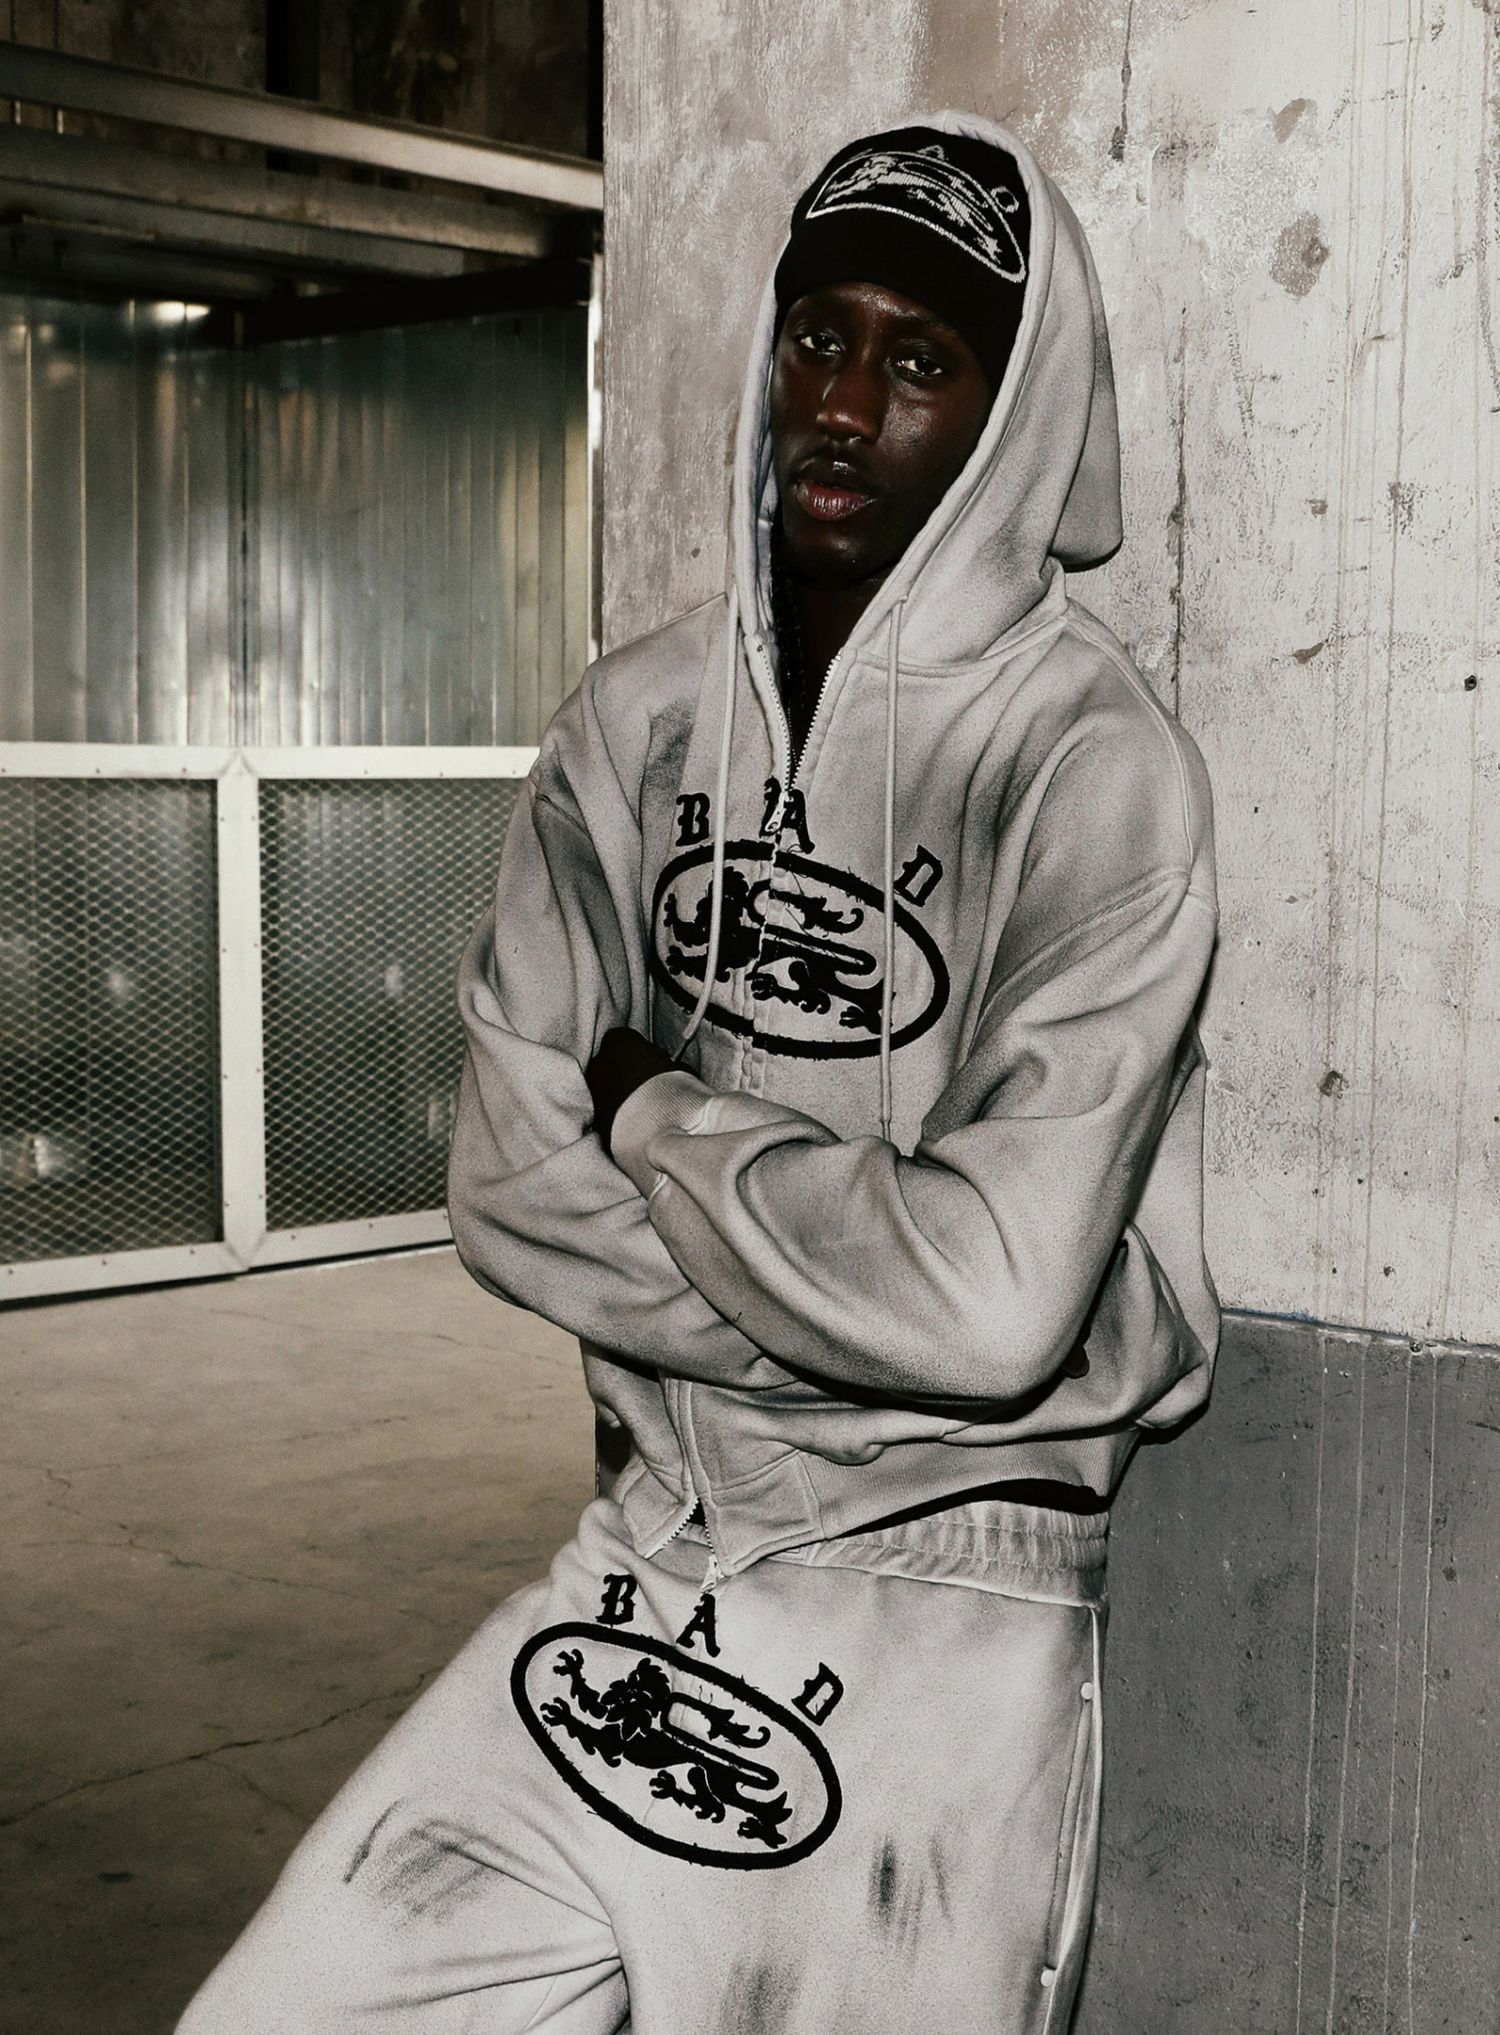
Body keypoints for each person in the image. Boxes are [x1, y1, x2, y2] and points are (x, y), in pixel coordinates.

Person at [178, 111, 1218, 2035]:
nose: (845, 405)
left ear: (1009, 418)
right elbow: (509, 1190)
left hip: (948, 1596)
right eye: (819, 337)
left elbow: (997, 1301)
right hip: (651, 1547)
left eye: (921, 361)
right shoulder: (636, 725)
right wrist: (869, 1302)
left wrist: (657, 1110)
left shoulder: (1091, 768)